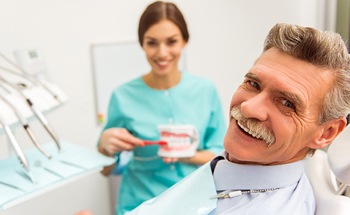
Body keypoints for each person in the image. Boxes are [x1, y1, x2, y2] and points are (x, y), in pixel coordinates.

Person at [126, 23, 350, 215]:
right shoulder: (233, 169)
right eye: (253, 84)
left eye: (287, 103)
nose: (248, 107)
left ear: (326, 133)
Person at [97, 1, 226, 214]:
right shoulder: (122, 96)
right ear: (142, 44)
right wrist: (104, 149)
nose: (162, 52)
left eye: (171, 41)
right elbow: (106, 170)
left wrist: (186, 154)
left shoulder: (205, 90)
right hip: (139, 205)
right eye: (152, 43)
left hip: (195, 204)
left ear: (185, 40)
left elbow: (220, 156)